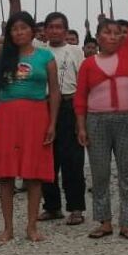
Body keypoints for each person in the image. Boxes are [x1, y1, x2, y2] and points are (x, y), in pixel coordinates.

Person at [0, 0, 59, 243]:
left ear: (33, 31)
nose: (19, 33)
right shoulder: (2, 53)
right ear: (9, 33)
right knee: (6, 174)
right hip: (7, 115)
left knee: (34, 174)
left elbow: (54, 92)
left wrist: (52, 123)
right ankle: (8, 228)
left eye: (23, 28)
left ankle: (31, 227)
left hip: (36, 116)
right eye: (14, 29)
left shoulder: (46, 57)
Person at [75, 0, 128, 240]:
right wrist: (81, 127)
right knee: (100, 172)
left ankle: (127, 222)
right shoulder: (88, 64)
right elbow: (80, 99)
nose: (113, 36)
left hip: (127, 119)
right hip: (97, 122)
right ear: (98, 36)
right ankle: (104, 221)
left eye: (118, 32)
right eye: (107, 31)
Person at [39, 12, 86, 226]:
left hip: (70, 105)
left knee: (72, 161)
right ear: (45, 30)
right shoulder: (39, 51)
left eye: (59, 27)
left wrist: (80, 118)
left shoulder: (75, 51)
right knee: (47, 159)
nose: (55, 31)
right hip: (44, 106)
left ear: (66, 31)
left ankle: (76, 208)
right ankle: (52, 206)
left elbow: (83, 84)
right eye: (51, 27)